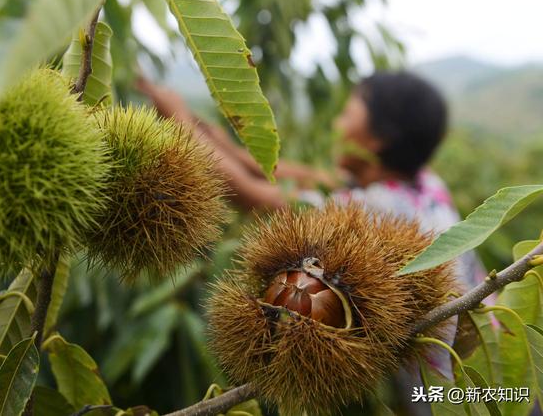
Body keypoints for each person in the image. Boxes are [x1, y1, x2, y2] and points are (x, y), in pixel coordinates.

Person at [137, 71, 488, 413]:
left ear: (378, 140)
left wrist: (179, 121)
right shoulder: (426, 181)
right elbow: (268, 169)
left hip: (461, 392)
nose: (337, 124)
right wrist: (194, 123)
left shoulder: (376, 211)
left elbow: (248, 191)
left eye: (347, 114)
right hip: (495, 343)